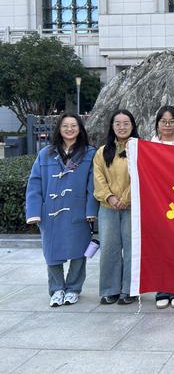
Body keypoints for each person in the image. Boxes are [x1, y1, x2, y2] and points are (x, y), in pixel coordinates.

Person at [26, 113, 99, 307]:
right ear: (59, 128)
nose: (69, 129)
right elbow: (34, 183)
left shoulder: (89, 153)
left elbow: (93, 185)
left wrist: (91, 211)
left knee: (80, 252)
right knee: (51, 252)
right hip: (50, 212)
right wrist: (34, 212)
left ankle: (73, 288)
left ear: (80, 129)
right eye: (65, 126)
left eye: (73, 125)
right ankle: (57, 289)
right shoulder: (45, 154)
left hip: (78, 210)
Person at [93, 109, 139, 305]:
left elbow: (140, 176)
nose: (122, 127)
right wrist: (110, 197)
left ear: (132, 126)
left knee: (131, 248)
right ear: (112, 126)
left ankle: (130, 289)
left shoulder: (139, 149)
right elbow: (98, 177)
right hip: (108, 207)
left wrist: (126, 198)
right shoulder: (102, 151)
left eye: (126, 123)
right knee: (109, 248)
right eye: (117, 123)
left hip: (132, 207)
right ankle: (110, 289)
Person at [150, 105, 174, 309]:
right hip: (158, 201)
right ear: (157, 124)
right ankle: (162, 288)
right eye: (163, 122)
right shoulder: (149, 146)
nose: (167, 125)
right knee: (161, 246)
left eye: (171, 121)